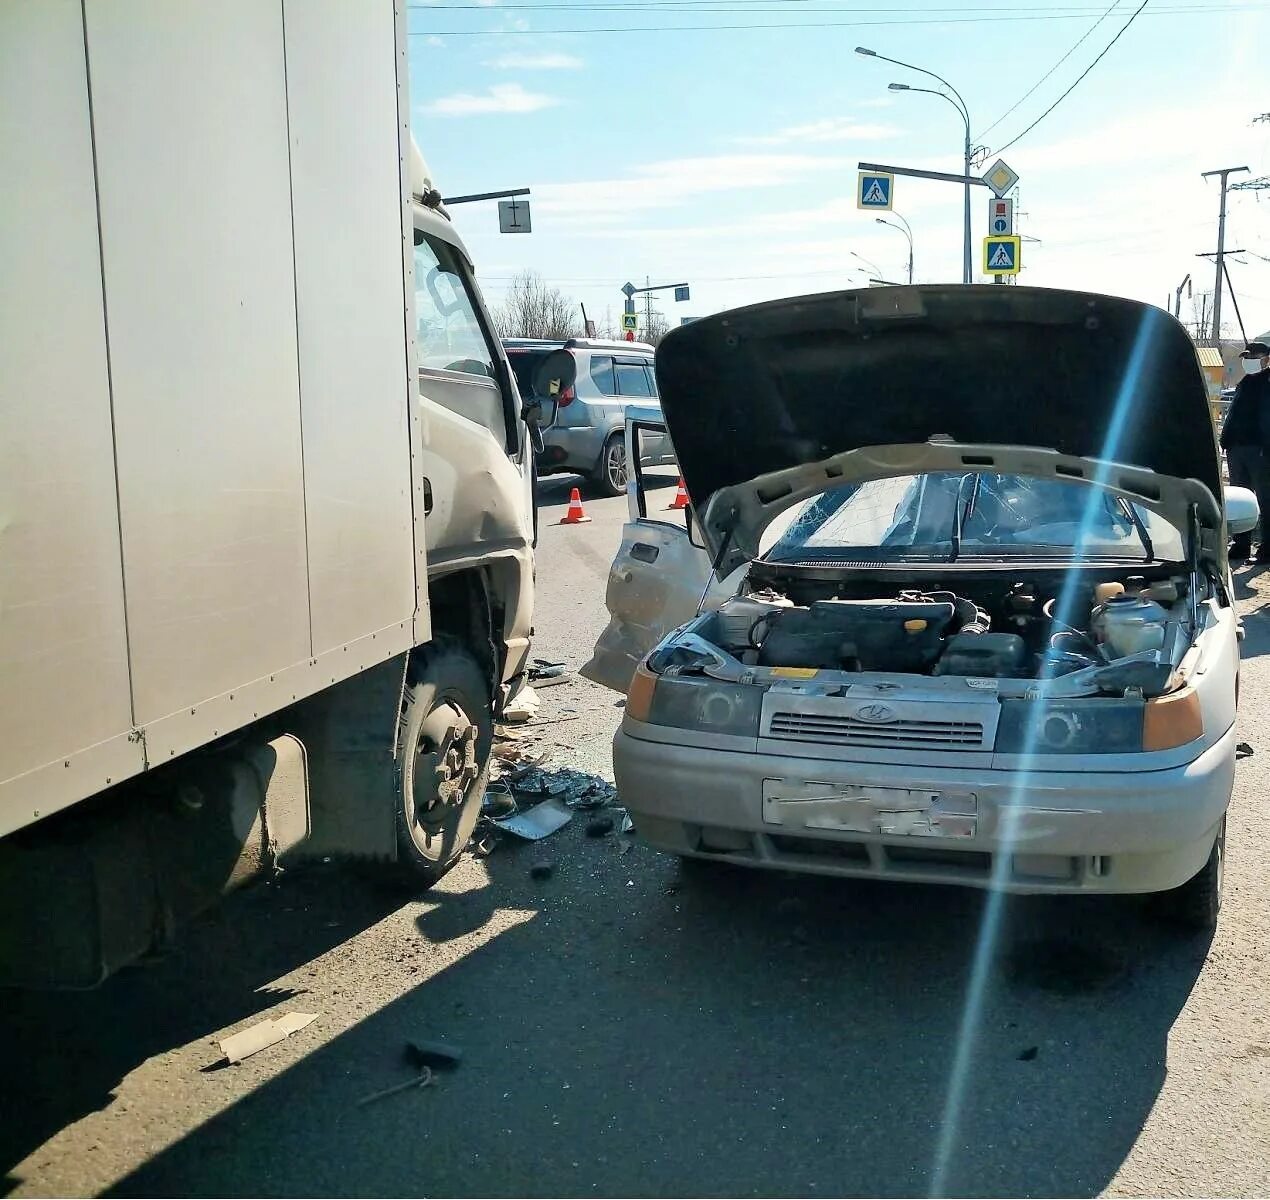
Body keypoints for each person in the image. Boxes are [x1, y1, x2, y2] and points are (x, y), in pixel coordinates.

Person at [1220, 340, 1270, 562]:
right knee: (1241, 500)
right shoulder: (1245, 382)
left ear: (1266, 358)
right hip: (1236, 447)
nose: (1248, 362)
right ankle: (1241, 545)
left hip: (1259, 449)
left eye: (1253, 357)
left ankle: (1267, 548)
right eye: (1246, 358)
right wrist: (1226, 439)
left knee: (1265, 499)